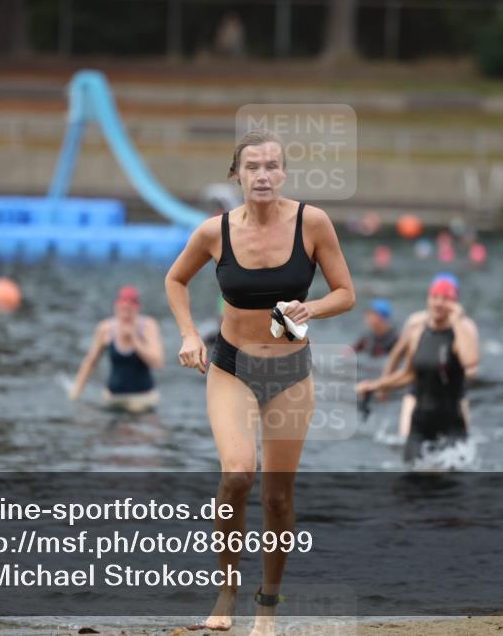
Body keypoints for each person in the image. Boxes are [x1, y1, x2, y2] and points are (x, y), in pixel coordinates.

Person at [164, 130, 354, 635]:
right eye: (252, 167)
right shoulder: (214, 232)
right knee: (237, 475)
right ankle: (226, 590)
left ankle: (267, 605)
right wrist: (188, 334)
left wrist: (309, 307)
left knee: (277, 496)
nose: (263, 175)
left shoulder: (312, 223)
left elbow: (346, 293)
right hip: (231, 367)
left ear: (284, 173)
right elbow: (175, 280)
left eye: (272, 166)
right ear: (237, 175)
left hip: (291, 372)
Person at [357, 274, 480, 463]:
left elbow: (471, 362)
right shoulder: (417, 330)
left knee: (452, 486)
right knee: (410, 484)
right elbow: (408, 374)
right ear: (428, 299)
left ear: (454, 303)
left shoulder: (462, 329)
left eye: (445, 299)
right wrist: (376, 385)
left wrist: (456, 321)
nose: (438, 303)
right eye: (434, 297)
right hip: (420, 425)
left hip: (452, 423)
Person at [69, 286, 164, 413]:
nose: (125, 316)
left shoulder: (148, 326)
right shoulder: (106, 329)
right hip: (113, 398)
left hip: (143, 398)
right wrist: (76, 392)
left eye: (129, 310)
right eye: (122, 309)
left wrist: (135, 341)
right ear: (116, 308)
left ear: (137, 309)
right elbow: (90, 362)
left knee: (136, 414)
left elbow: (158, 363)